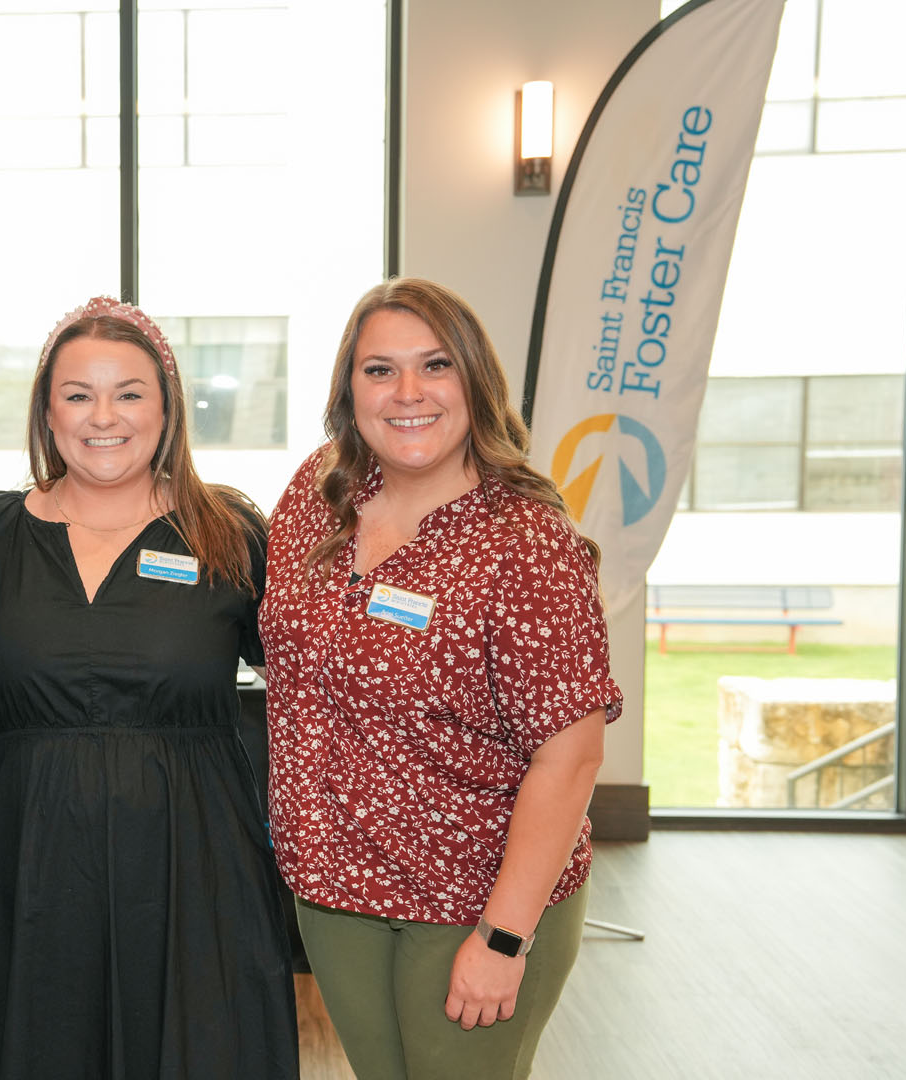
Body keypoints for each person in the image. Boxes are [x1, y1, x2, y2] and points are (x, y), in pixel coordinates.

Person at [259, 277, 619, 1080]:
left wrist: (502, 937)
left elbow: (572, 759)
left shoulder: (524, 540)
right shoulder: (320, 497)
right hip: (336, 891)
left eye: (436, 365)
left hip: (472, 897)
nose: (408, 393)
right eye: (379, 370)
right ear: (349, 391)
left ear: (475, 383)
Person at [0, 298, 298, 1079]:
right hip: (26, 863)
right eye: (78, 394)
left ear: (168, 408)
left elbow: (315, 689)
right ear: (47, 409)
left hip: (196, 866)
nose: (104, 416)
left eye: (130, 393)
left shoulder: (229, 532)